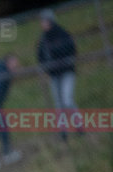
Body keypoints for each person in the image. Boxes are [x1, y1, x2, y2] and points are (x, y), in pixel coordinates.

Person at [37, 9, 79, 140]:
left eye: (44, 21)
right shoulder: (43, 40)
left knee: (67, 100)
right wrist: (46, 69)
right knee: (58, 104)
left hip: (67, 73)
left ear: (50, 21)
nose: (42, 24)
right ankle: (63, 132)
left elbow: (72, 50)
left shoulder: (62, 34)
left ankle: (79, 125)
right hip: (54, 75)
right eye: (41, 21)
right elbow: (40, 57)